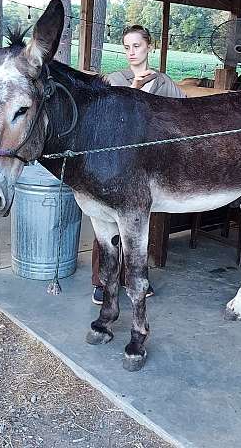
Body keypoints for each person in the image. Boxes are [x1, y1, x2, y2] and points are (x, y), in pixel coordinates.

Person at [91, 25, 186, 304]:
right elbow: (107, 120)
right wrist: (134, 90)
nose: (131, 52)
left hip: (146, 162)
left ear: (149, 47)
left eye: (137, 46)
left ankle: (133, 278)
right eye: (127, 47)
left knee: (136, 224)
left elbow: (181, 111)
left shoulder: (164, 82)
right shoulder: (114, 79)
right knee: (107, 221)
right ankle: (102, 281)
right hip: (114, 163)